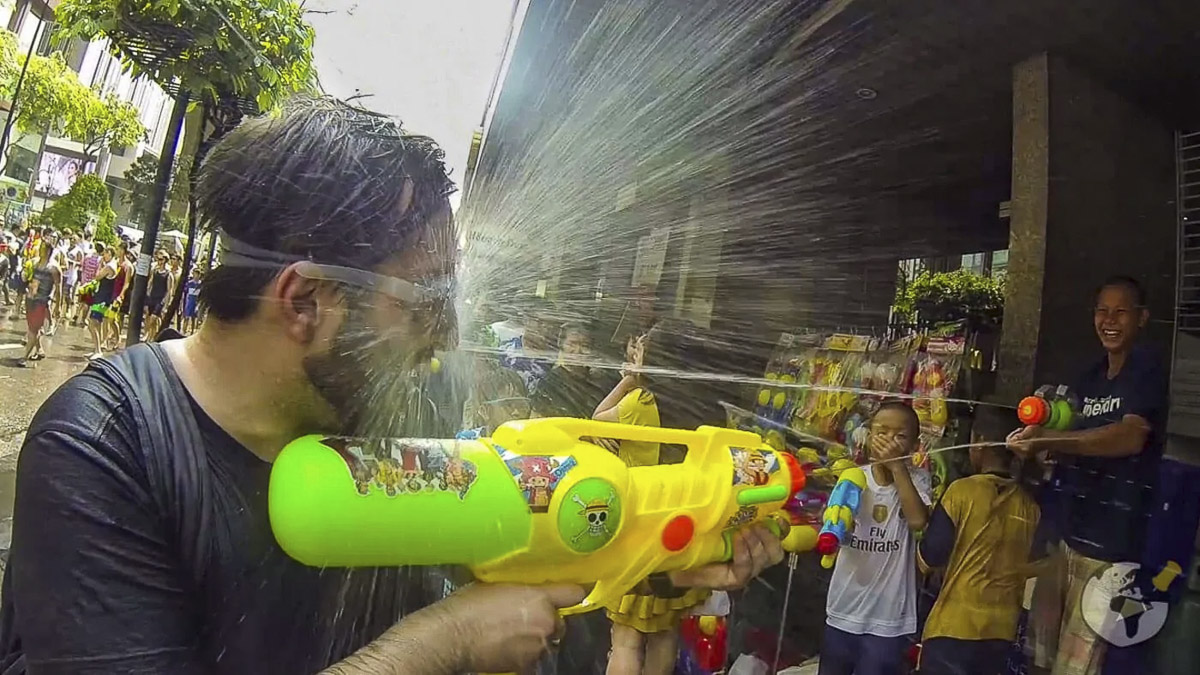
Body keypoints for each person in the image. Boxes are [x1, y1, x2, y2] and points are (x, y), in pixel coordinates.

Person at [0, 96, 782, 674]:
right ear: (305, 303)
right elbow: (458, 623)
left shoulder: (406, 402)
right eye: (427, 302)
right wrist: (446, 641)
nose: (445, 337)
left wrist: (662, 545)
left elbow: (504, 549)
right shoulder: (107, 446)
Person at [1008, 275, 1167, 675]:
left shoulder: (1147, 370)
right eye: (1102, 311)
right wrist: (1036, 436)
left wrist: (1051, 440)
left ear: (1142, 318)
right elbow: (1062, 426)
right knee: (1038, 655)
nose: (1109, 321)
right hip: (1063, 534)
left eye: (1121, 312)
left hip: (1109, 546)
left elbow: (1130, 437)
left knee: (1078, 665)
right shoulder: (1089, 375)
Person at [593, 322, 707, 675]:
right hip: (678, 528)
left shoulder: (640, 403)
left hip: (637, 526)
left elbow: (595, 420)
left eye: (641, 351)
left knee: (625, 638)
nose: (634, 355)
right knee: (665, 632)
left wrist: (628, 380)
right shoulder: (697, 402)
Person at [917, 408, 1045, 675]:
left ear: (979, 443)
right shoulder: (1030, 505)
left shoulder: (961, 492)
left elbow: (929, 559)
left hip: (953, 628)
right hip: (1001, 635)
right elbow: (1035, 565)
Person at [820, 401, 932, 675]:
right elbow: (836, 521)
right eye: (882, 432)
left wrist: (897, 468)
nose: (889, 441)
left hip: (888, 619)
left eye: (900, 436)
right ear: (869, 436)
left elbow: (918, 521)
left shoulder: (918, 480)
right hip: (844, 607)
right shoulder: (853, 477)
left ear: (915, 445)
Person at [532, 322, 618, 418]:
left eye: (585, 345)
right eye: (572, 344)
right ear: (561, 345)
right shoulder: (549, 383)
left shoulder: (601, 382)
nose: (578, 351)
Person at [18, 240, 59, 367]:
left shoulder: (53, 268)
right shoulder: (35, 263)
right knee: (33, 328)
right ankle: (40, 350)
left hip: (41, 301)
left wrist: (57, 306)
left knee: (33, 330)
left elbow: (58, 288)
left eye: (42, 248)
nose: (40, 249)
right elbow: (28, 277)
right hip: (30, 298)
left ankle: (24, 357)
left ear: (48, 251)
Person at [84, 245, 117, 360]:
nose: (104, 256)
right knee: (96, 324)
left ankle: (98, 350)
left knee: (92, 323)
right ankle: (96, 349)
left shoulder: (109, 266)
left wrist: (100, 265)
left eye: (106, 254)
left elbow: (97, 276)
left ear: (110, 254)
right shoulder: (111, 265)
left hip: (103, 299)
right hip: (101, 297)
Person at [144, 250, 174, 340]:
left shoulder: (168, 274)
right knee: (151, 319)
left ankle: (148, 335)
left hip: (160, 299)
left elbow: (169, 290)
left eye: (161, 259)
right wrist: (147, 296)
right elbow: (150, 284)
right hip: (152, 297)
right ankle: (153, 337)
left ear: (165, 260)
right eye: (158, 259)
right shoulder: (155, 271)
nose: (159, 261)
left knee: (153, 318)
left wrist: (166, 304)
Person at [181, 265, 202, 334]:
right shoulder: (190, 283)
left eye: (196, 274)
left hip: (196, 303)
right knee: (186, 317)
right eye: (194, 274)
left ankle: (192, 332)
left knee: (194, 318)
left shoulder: (201, 284)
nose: (195, 276)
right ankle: (183, 331)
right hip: (189, 302)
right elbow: (185, 292)